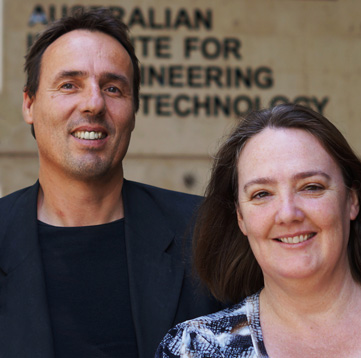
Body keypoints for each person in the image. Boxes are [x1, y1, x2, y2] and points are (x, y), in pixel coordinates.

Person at [0, 8, 222, 358]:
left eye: (113, 88)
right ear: (29, 103)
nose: (93, 103)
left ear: (133, 110)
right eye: (69, 85)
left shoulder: (204, 233)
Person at [156, 104, 361, 357]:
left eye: (311, 187)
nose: (288, 214)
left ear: (352, 200)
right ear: (240, 217)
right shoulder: (194, 348)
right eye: (262, 194)